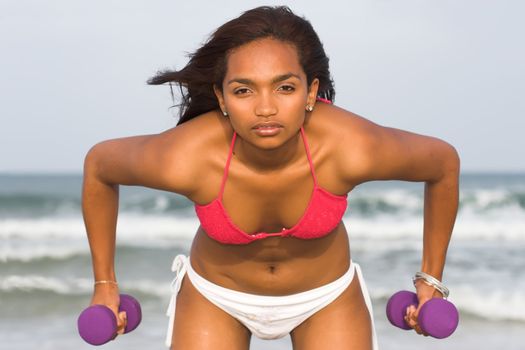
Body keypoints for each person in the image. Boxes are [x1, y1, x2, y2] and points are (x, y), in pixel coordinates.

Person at [82, 6, 459, 350]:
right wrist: (104, 286)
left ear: (311, 91)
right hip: (216, 297)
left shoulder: (351, 148)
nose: (265, 108)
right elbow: (100, 167)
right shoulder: (186, 157)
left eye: (285, 88)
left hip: (325, 297)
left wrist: (430, 280)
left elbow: (442, 164)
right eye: (244, 90)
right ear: (222, 97)